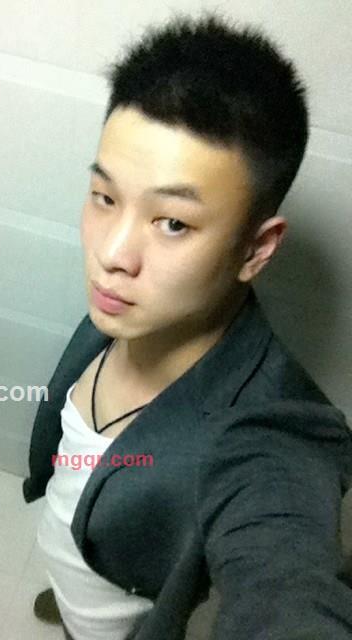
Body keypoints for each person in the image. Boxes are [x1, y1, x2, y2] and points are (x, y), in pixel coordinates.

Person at [22, 10, 352, 640]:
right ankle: (67, 591)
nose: (111, 253)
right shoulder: (135, 306)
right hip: (85, 550)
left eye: (172, 222)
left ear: (255, 249)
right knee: (70, 570)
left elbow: (284, 579)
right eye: (105, 197)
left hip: (120, 623)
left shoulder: (269, 433)